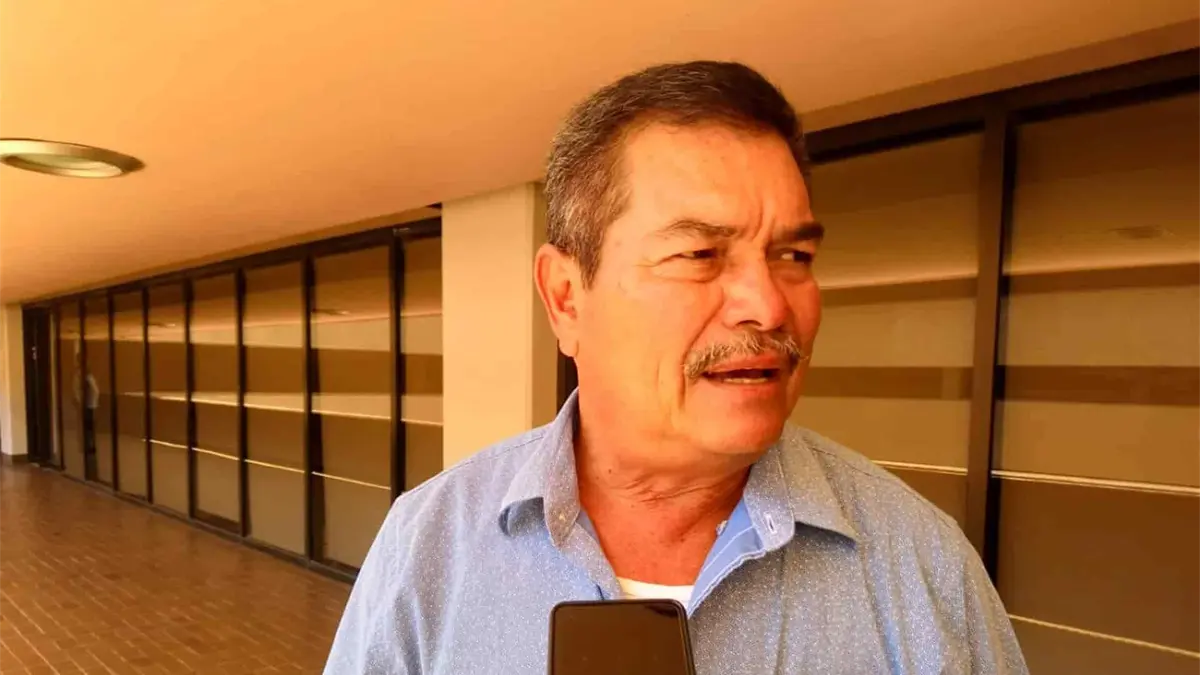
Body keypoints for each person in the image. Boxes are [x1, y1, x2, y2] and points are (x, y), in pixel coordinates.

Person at [325, 61, 1028, 674]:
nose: (768, 305)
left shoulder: (922, 564)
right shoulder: (430, 545)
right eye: (699, 255)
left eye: (794, 256)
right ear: (566, 297)